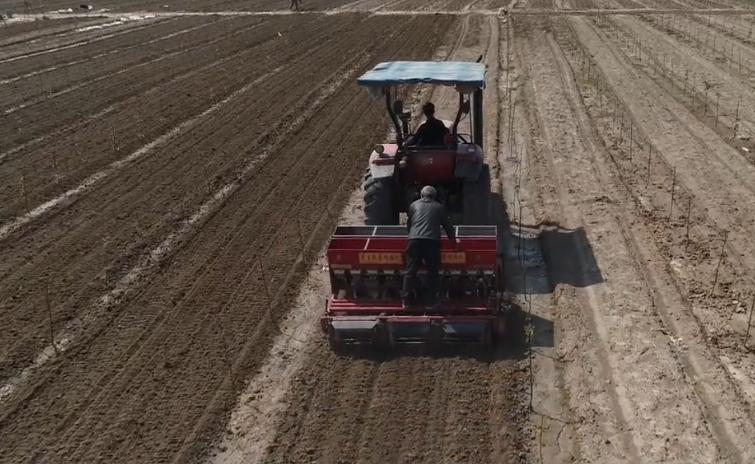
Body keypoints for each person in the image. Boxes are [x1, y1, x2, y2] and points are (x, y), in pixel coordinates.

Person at [402, 185, 458, 309]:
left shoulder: (413, 205)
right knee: (432, 272)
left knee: (410, 271)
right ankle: (430, 302)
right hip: (431, 242)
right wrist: (453, 243)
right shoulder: (439, 207)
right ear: (435, 196)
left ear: (422, 195)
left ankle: (406, 301)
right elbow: (448, 226)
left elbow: (409, 225)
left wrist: (411, 237)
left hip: (414, 241)